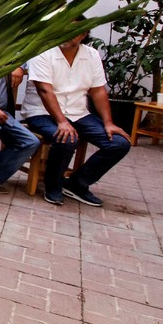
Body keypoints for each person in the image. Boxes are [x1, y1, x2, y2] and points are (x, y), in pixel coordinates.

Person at [21, 26, 131, 206]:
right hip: (41, 112)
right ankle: (53, 186)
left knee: (119, 144)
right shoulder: (43, 51)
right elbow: (44, 89)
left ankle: (76, 184)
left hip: (78, 112)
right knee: (66, 139)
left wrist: (108, 122)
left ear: (84, 34)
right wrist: (62, 122)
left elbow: (98, 91)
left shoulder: (91, 54)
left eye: (74, 31)